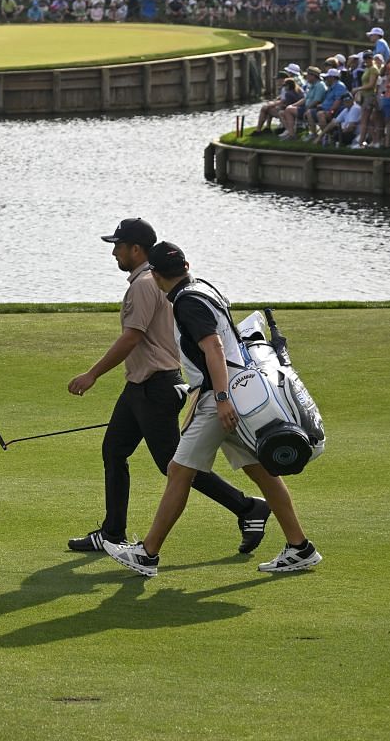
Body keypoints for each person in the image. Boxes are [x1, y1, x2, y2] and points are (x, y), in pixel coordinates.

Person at [103, 242, 321, 578]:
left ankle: (147, 554)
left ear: (158, 276)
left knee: (178, 470)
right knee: (261, 471)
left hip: (222, 397)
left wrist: (220, 399)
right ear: (186, 265)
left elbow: (213, 347)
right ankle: (300, 548)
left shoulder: (187, 302)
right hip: (238, 393)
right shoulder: (202, 287)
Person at [66, 219, 268, 555]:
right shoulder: (153, 280)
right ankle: (112, 532)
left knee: (176, 466)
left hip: (155, 386)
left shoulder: (145, 284)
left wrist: (92, 374)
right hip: (140, 386)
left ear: (136, 249)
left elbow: (133, 336)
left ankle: (247, 507)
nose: (114, 252)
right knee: (115, 450)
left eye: (118, 245)